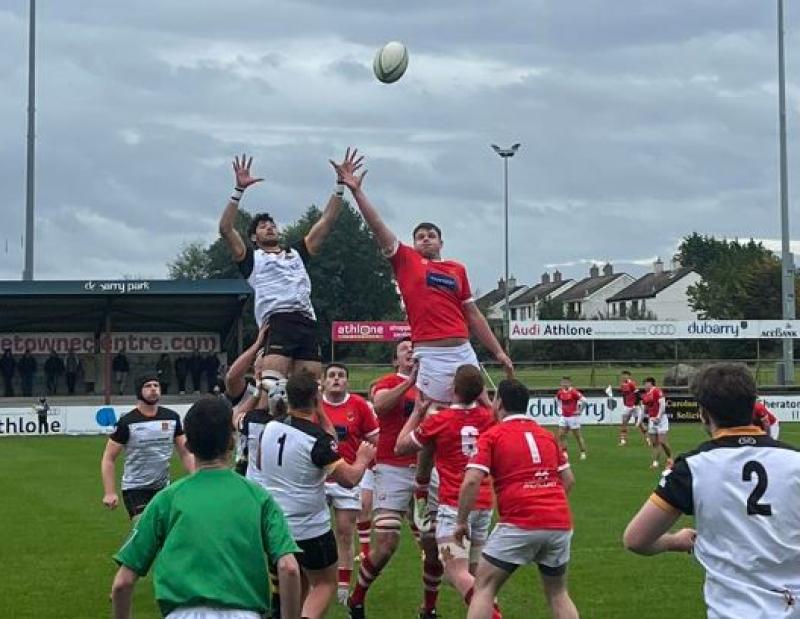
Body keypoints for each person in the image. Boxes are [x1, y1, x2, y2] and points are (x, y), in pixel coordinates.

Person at [330, 148, 513, 407]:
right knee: (432, 413)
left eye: (431, 235)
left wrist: (498, 351)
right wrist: (357, 192)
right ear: (414, 243)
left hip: (462, 349)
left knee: (482, 409)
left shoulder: (457, 269)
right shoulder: (406, 260)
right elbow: (378, 226)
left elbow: (474, 315)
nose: (426, 238)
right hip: (430, 352)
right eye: (420, 236)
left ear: (441, 242)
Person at [624, 363, 800, 618]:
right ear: (753, 405)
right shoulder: (795, 460)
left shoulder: (692, 467)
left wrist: (675, 541)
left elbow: (636, 540)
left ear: (703, 413)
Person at [110, 396, 303, 619]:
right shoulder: (259, 498)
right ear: (231, 441)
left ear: (189, 445)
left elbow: (122, 584)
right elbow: (289, 568)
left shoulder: (166, 499)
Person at [456, 378, 578, 619]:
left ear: (498, 402)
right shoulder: (547, 435)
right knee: (557, 592)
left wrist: (461, 521)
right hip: (559, 523)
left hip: (519, 523)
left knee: (484, 587)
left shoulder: (492, 436)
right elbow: (569, 480)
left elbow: (471, 481)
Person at [259, 370, 376, 619]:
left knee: (298, 584)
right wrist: (364, 458)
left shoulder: (270, 427)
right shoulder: (315, 440)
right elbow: (349, 479)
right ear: (315, 398)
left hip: (275, 524)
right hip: (309, 527)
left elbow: (260, 461)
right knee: (324, 583)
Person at [219, 154, 344, 385]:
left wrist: (340, 185)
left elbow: (327, 221)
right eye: (262, 227)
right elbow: (225, 229)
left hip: (306, 320)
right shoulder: (251, 258)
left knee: (309, 390)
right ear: (254, 238)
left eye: (272, 225)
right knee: (272, 388)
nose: (269, 228)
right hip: (278, 321)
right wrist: (238, 190)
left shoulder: (297, 252)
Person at [348, 338, 443, 619]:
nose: (411, 350)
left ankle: (429, 608)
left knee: (432, 544)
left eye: (414, 346)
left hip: (427, 471)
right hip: (392, 470)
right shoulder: (389, 381)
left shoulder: (435, 385)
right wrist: (410, 381)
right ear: (395, 360)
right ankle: (357, 598)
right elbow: (380, 406)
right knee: (387, 543)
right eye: (404, 348)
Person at [395, 365, 497, 617]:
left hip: (453, 507)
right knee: (476, 576)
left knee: (455, 571)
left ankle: (495, 615)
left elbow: (400, 447)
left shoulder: (439, 421)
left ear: (453, 388)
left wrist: (417, 414)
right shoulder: (488, 417)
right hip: (483, 504)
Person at [320, 363, 380, 605]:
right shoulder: (316, 405)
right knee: (316, 531)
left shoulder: (359, 405)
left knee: (345, 532)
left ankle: (343, 586)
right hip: (319, 478)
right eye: (332, 375)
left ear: (347, 381)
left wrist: (367, 465)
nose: (336, 379)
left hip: (348, 479)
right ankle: (317, 579)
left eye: (341, 376)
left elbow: (374, 437)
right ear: (323, 381)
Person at [100, 374, 194, 520]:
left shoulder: (171, 418)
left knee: (165, 532)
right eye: (148, 386)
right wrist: (110, 492)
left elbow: (186, 452)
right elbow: (109, 458)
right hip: (135, 488)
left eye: (156, 386)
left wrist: (196, 475)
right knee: (145, 530)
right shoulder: (127, 422)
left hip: (163, 487)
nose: (153, 389)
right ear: (139, 391)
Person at [641, 377, 672, 469]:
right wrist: (641, 421)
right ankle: (655, 462)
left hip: (661, 420)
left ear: (651, 384)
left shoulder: (657, 391)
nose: (645, 386)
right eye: (644, 384)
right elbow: (644, 409)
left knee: (662, 441)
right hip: (652, 420)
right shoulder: (646, 395)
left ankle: (670, 458)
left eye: (646, 384)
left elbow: (662, 405)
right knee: (654, 443)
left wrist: (658, 417)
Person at [555, 377, 587, 460]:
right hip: (564, 416)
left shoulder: (573, 392)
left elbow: (585, 400)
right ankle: (564, 452)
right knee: (561, 435)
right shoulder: (560, 392)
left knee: (577, 436)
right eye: (563, 382)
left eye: (566, 382)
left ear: (569, 383)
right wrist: (560, 408)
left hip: (573, 417)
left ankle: (582, 452)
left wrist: (579, 411)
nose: (564, 384)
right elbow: (557, 400)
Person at [617, 370, 642, 446]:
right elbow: (624, 395)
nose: (624, 377)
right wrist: (625, 403)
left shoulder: (631, 383)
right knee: (624, 422)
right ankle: (623, 440)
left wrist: (636, 403)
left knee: (639, 424)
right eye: (623, 375)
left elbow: (637, 394)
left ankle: (648, 438)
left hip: (635, 406)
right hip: (627, 406)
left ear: (629, 376)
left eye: (625, 375)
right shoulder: (622, 385)